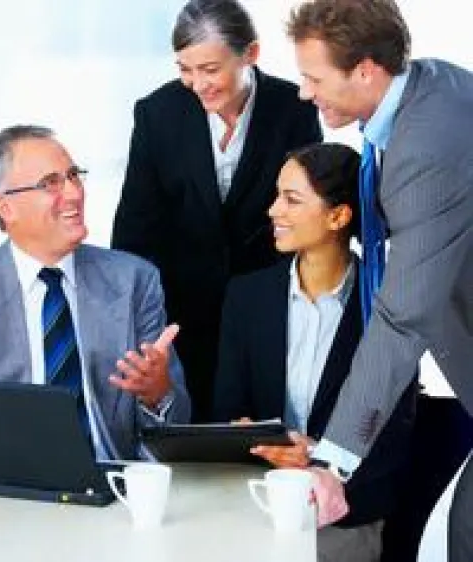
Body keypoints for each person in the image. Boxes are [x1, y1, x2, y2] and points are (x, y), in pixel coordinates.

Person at [283, 1, 473, 559]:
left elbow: (403, 316)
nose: (304, 93)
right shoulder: (424, 90)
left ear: (365, 70)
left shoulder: (428, 145)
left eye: (315, 78)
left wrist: (334, 458)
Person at [0, 125, 191, 490]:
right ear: (5, 206)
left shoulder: (133, 279)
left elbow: (176, 424)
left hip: (114, 487)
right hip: (7, 489)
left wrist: (157, 392)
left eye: (73, 176)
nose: (74, 193)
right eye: (51, 183)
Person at [111, 0, 322, 421]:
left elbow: (308, 212)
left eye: (210, 69)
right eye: (185, 70)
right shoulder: (158, 114)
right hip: (183, 308)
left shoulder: (294, 108)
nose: (197, 84)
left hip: (267, 306)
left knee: (261, 429)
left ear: (251, 54)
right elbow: (136, 227)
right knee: (195, 427)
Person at [213, 143, 413, 562]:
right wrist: (251, 438)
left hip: (345, 513)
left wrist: (321, 457)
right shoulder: (247, 296)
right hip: (258, 499)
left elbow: (393, 433)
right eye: (277, 196)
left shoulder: (387, 307)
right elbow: (229, 408)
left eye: (291, 199)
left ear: (338, 216)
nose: (273, 211)